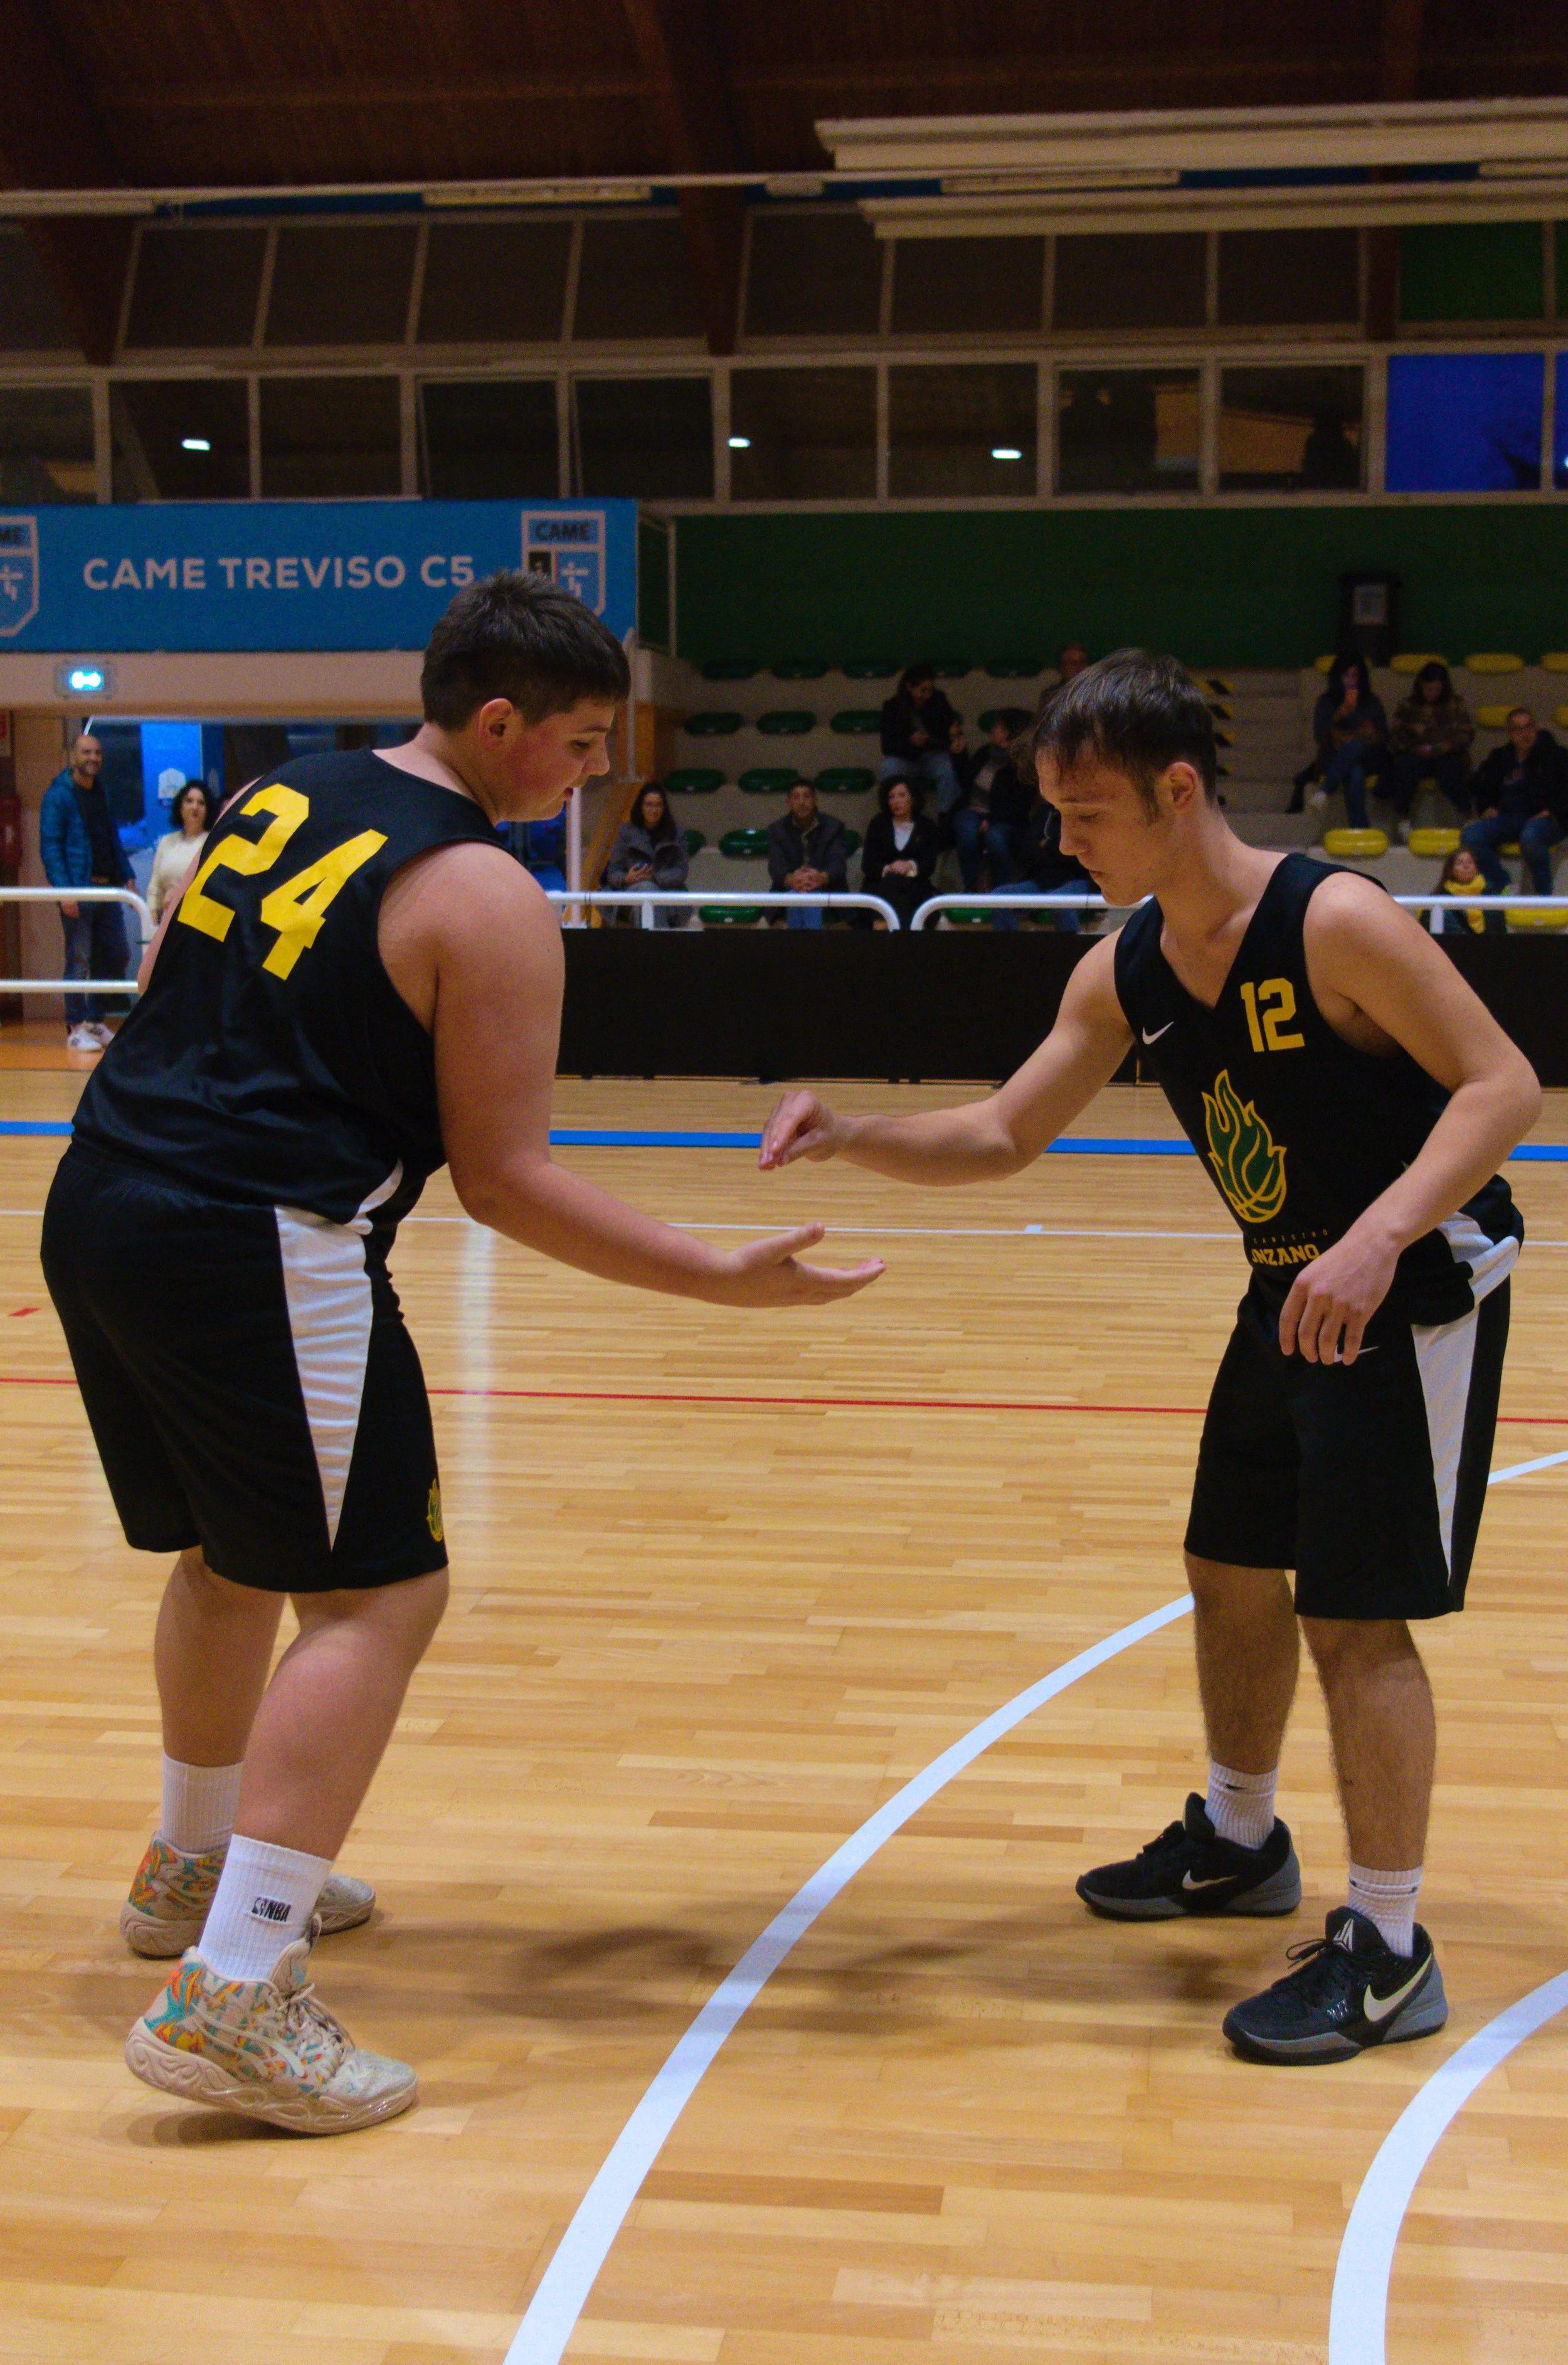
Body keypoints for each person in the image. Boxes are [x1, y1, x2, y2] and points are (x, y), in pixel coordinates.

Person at [41, 571, 882, 2137]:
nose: (589, 774)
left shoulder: (285, 794)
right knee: (379, 1590)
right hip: (257, 1238)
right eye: (574, 744)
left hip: (97, 1196)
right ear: (498, 724)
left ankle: (193, 1863)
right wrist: (718, 1276)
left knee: (232, 1553)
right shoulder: (484, 892)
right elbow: (504, 1177)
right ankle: (235, 1992)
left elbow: (162, 1000)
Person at [760, 650, 1538, 2066]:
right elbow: (1004, 1132)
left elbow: (1503, 1083)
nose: (1064, 841)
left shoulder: (1336, 921)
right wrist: (854, 1132)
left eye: (1088, 813)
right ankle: (1241, 1839)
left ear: (1179, 790)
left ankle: (1385, 1944)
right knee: (1228, 1561)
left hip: (1409, 1277)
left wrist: (1371, 1238)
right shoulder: (1123, 964)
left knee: (1355, 1616)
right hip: (1286, 1280)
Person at [39, 730, 133, 1052]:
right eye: (86, 753)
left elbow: (112, 838)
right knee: (79, 958)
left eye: (97, 753)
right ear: (73, 756)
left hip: (108, 890)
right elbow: (51, 847)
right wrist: (64, 892)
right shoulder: (59, 795)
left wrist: (128, 875)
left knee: (117, 953)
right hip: (78, 889)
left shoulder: (102, 792)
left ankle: (95, 1020)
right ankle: (76, 1024)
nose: (93, 758)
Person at [1461, 709, 1568, 897]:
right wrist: (1487, 807)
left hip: (1547, 819)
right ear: (1509, 732)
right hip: (1509, 818)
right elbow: (1481, 786)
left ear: (1535, 728)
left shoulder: (1556, 755)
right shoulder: (1499, 757)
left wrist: (1553, 810)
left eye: (1528, 727)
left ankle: (1544, 894)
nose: (1525, 734)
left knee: (1531, 836)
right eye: (1518, 729)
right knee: (1471, 835)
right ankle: (1502, 885)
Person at [952, 709, 1036, 894]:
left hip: (1006, 819)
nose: (993, 729)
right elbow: (965, 782)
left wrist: (992, 819)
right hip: (973, 810)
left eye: (998, 726)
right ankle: (971, 891)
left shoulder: (1022, 764)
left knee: (995, 838)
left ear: (1008, 732)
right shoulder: (984, 753)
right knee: (966, 830)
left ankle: (1003, 893)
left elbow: (1020, 805)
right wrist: (958, 756)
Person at [1386, 662, 1474, 833]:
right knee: (1406, 769)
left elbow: (1467, 733)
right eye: (1428, 689)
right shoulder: (1408, 705)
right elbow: (1395, 737)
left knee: (1450, 772)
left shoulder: (1456, 704)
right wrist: (1413, 748)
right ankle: (1402, 819)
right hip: (1415, 754)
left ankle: (1467, 815)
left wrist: (1447, 746)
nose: (1431, 694)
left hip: (1447, 753)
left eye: (1436, 689)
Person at [1303, 652, 1387, 828]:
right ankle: (1361, 830)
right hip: (1335, 756)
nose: (1350, 680)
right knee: (1354, 773)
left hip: (1369, 756)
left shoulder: (1371, 701)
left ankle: (1325, 791)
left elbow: (1384, 736)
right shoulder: (1327, 701)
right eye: (1346, 675)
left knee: (1356, 746)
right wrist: (1339, 715)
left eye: (1355, 675)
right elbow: (1320, 735)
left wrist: (1367, 732)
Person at [602, 780, 691, 927]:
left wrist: (654, 878)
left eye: (658, 805)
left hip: (667, 891)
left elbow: (681, 872)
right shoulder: (626, 832)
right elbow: (613, 872)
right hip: (632, 891)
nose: (654, 810)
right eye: (649, 805)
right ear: (641, 807)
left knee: (648, 896)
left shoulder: (677, 834)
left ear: (664, 808)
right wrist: (627, 878)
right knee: (646, 891)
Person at [879, 663, 963, 814]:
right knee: (888, 768)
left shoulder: (938, 700)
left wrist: (952, 734)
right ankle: (893, 816)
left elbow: (949, 728)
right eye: (922, 690)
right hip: (907, 757)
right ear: (909, 687)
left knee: (949, 771)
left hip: (934, 754)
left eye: (930, 690)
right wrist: (911, 743)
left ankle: (947, 818)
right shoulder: (892, 707)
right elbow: (888, 746)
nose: (927, 695)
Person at [765, 776, 847, 930]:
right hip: (788, 890)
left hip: (828, 889)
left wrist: (821, 877)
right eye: (796, 797)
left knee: (810, 899)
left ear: (815, 800)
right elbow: (775, 866)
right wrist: (791, 879)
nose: (802, 802)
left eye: (807, 796)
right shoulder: (776, 830)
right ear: (788, 802)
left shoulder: (834, 827)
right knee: (795, 897)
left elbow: (838, 864)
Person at [859, 772, 938, 929]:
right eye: (891, 797)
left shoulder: (927, 826)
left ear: (913, 798)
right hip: (879, 885)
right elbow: (868, 865)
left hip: (915, 884)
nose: (896, 801)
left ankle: (884, 925)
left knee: (905, 890)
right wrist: (890, 868)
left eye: (901, 795)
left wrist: (910, 866)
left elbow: (929, 865)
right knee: (892, 881)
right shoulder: (878, 824)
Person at [146, 781, 215, 924]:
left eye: (201, 803)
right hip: (167, 920)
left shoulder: (213, 843)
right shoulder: (166, 842)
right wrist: (153, 916)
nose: (195, 807)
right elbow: (156, 885)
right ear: (180, 807)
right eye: (189, 801)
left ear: (208, 810)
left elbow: (212, 887)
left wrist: (179, 895)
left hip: (200, 920)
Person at [1435, 845, 1499, 936]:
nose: (1466, 866)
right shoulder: (1439, 899)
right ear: (1450, 870)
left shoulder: (1492, 895)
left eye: (1470, 862)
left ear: (1476, 868)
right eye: (1460, 863)